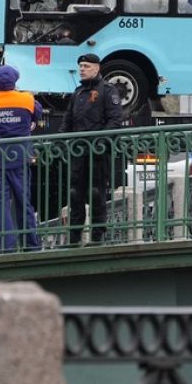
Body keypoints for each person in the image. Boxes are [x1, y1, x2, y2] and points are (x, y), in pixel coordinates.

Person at [61, 53, 123, 245]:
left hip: (97, 153)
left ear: (96, 68)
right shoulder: (78, 92)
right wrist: (61, 140)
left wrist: (101, 140)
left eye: (86, 66)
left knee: (96, 194)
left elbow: (115, 120)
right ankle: (74, 237)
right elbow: (68, 120)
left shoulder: (108, 90)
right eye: (80, 65)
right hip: (78, 152)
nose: (82, 69)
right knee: (75, 195)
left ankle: (97, 237)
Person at [0, 65, 43, 252]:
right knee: (23, 200)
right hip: (21, 157)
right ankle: (31, 244)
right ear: (14, 81)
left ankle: (7, 245)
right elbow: (38, 116)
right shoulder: (27, 99)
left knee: (1, 204)